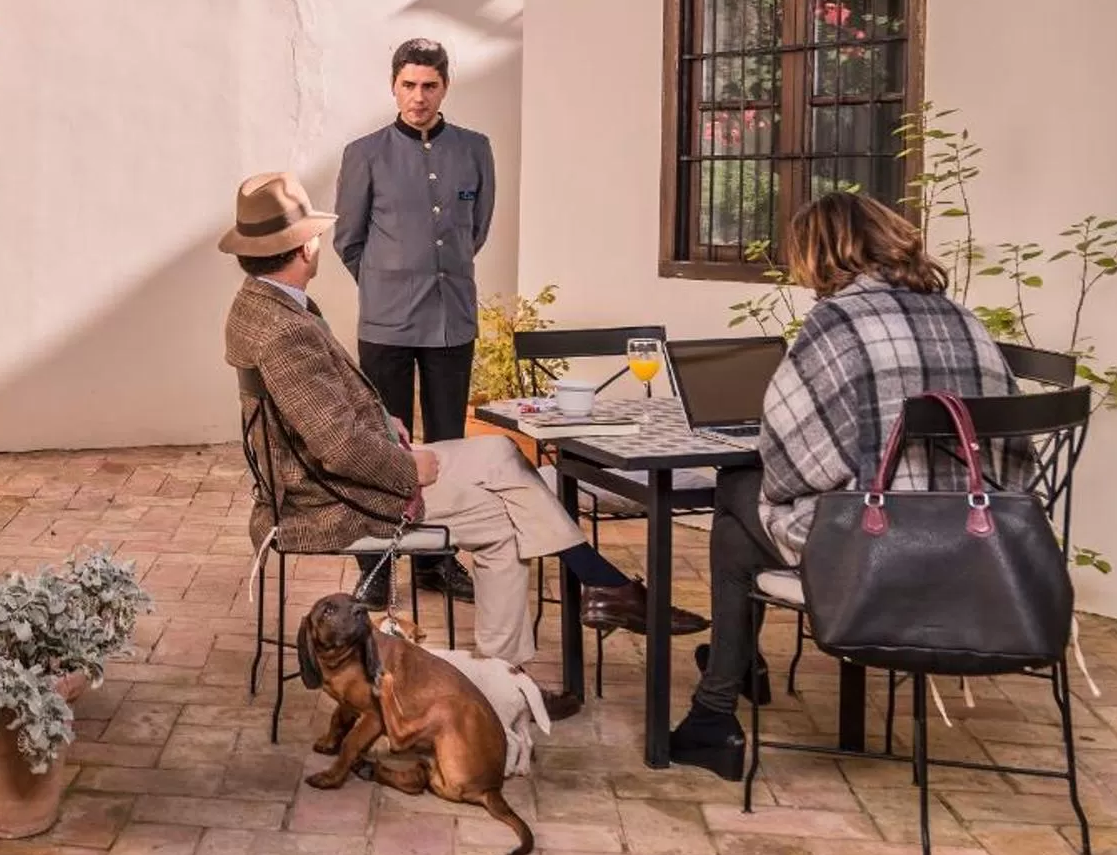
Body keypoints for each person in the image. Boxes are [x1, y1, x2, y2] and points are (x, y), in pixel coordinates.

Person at [221, 171, 700, 711]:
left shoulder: (266, 304)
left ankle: (603, 585)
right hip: (332, 498)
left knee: (498, 452)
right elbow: (338, 447)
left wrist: (385, 424)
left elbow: (324, 409)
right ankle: (505, 683)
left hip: (326, 477)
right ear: (306, 245)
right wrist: (409, 469)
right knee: (504, 525)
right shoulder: (284, 327)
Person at [669, 191, 1018, 780]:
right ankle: (727, 680)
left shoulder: (837, 323)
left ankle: (716, 707)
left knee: (735, 499)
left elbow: (795, 463)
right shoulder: (963, 318)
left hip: (877, 547)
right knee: (741, 513)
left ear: (820, 253)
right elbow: (1012, 449)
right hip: (977, 547)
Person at [332, 39, 492, 606]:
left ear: (444, 86)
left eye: (429, 85)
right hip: (387, 325)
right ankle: (377, 563)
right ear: (393, 86)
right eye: (408, 85)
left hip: (453, 320)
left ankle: (436, 562)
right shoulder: (365, 153)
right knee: (382, 443)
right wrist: (385, 285)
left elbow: (477, 230)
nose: (418, 97)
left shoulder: (475, 149)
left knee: (449, 443)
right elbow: (348, 241)